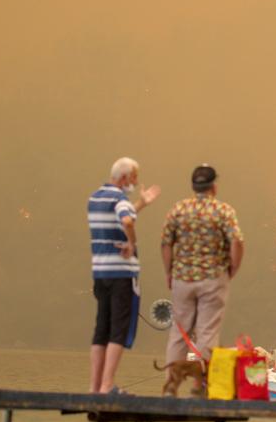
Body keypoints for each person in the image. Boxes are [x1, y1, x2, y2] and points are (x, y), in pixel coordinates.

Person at [159, 164, 244, 395]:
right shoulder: (223, 211)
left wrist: (169, 272)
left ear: (193, 186)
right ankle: (202, 386)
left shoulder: (178, 210)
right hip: (213, 279)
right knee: (208, 332)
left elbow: (166, 243)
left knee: (179, 332)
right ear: (214, 186)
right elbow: (236, 242)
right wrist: (232, 269)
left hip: (182, 279)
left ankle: (170, 386)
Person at [87, 157, 160, 394]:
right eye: (135, 177)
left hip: (100, 273)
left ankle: (94, 386)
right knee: (118, 329)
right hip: (121, 274)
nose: (136, 181)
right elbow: (126, 220)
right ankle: (107, 385)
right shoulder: (119, 199)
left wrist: (142, 203)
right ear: (125, 177)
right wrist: (132, 243)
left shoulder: (95, 198)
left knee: (101, 329)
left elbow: (123, 215)